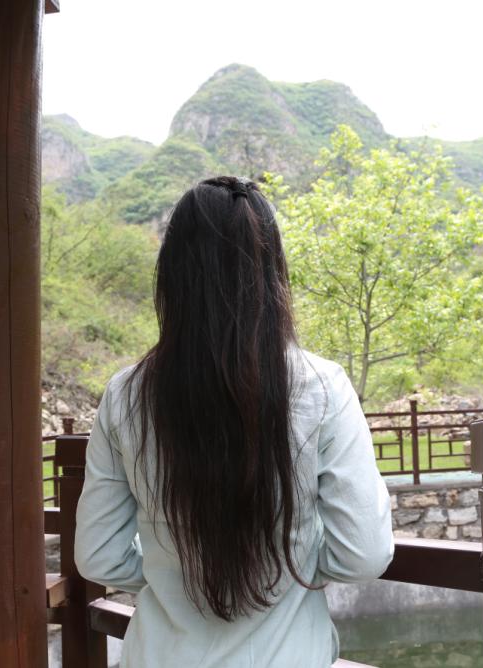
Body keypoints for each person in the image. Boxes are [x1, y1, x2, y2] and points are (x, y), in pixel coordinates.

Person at [74, 176, 394, 667]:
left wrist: (170, 573)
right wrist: (294, 567)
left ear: (172, 277)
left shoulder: (126, 394)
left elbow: (98, 557)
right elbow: (364, 554)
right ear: (271, 273)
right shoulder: (322, 386)